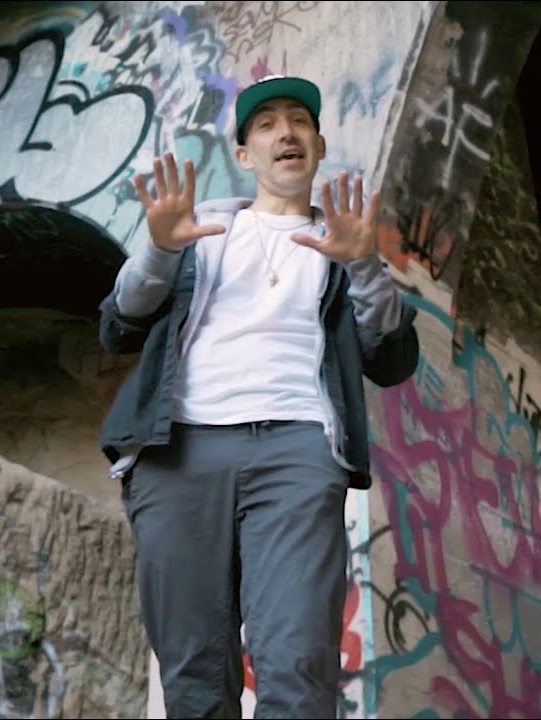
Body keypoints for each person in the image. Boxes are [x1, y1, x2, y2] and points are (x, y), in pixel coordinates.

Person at [97, 74, 419, 719]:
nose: (285, 132)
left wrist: (361, 264)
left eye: (298, 120)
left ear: (317, 145)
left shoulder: (343, 241)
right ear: (246, 155)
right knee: (192, 669)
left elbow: (391, 359)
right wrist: (159, 250)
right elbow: (119, 327)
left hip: (298, 452)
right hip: (177, 450)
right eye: (266, 123)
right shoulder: (199, 230)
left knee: (297, 659)